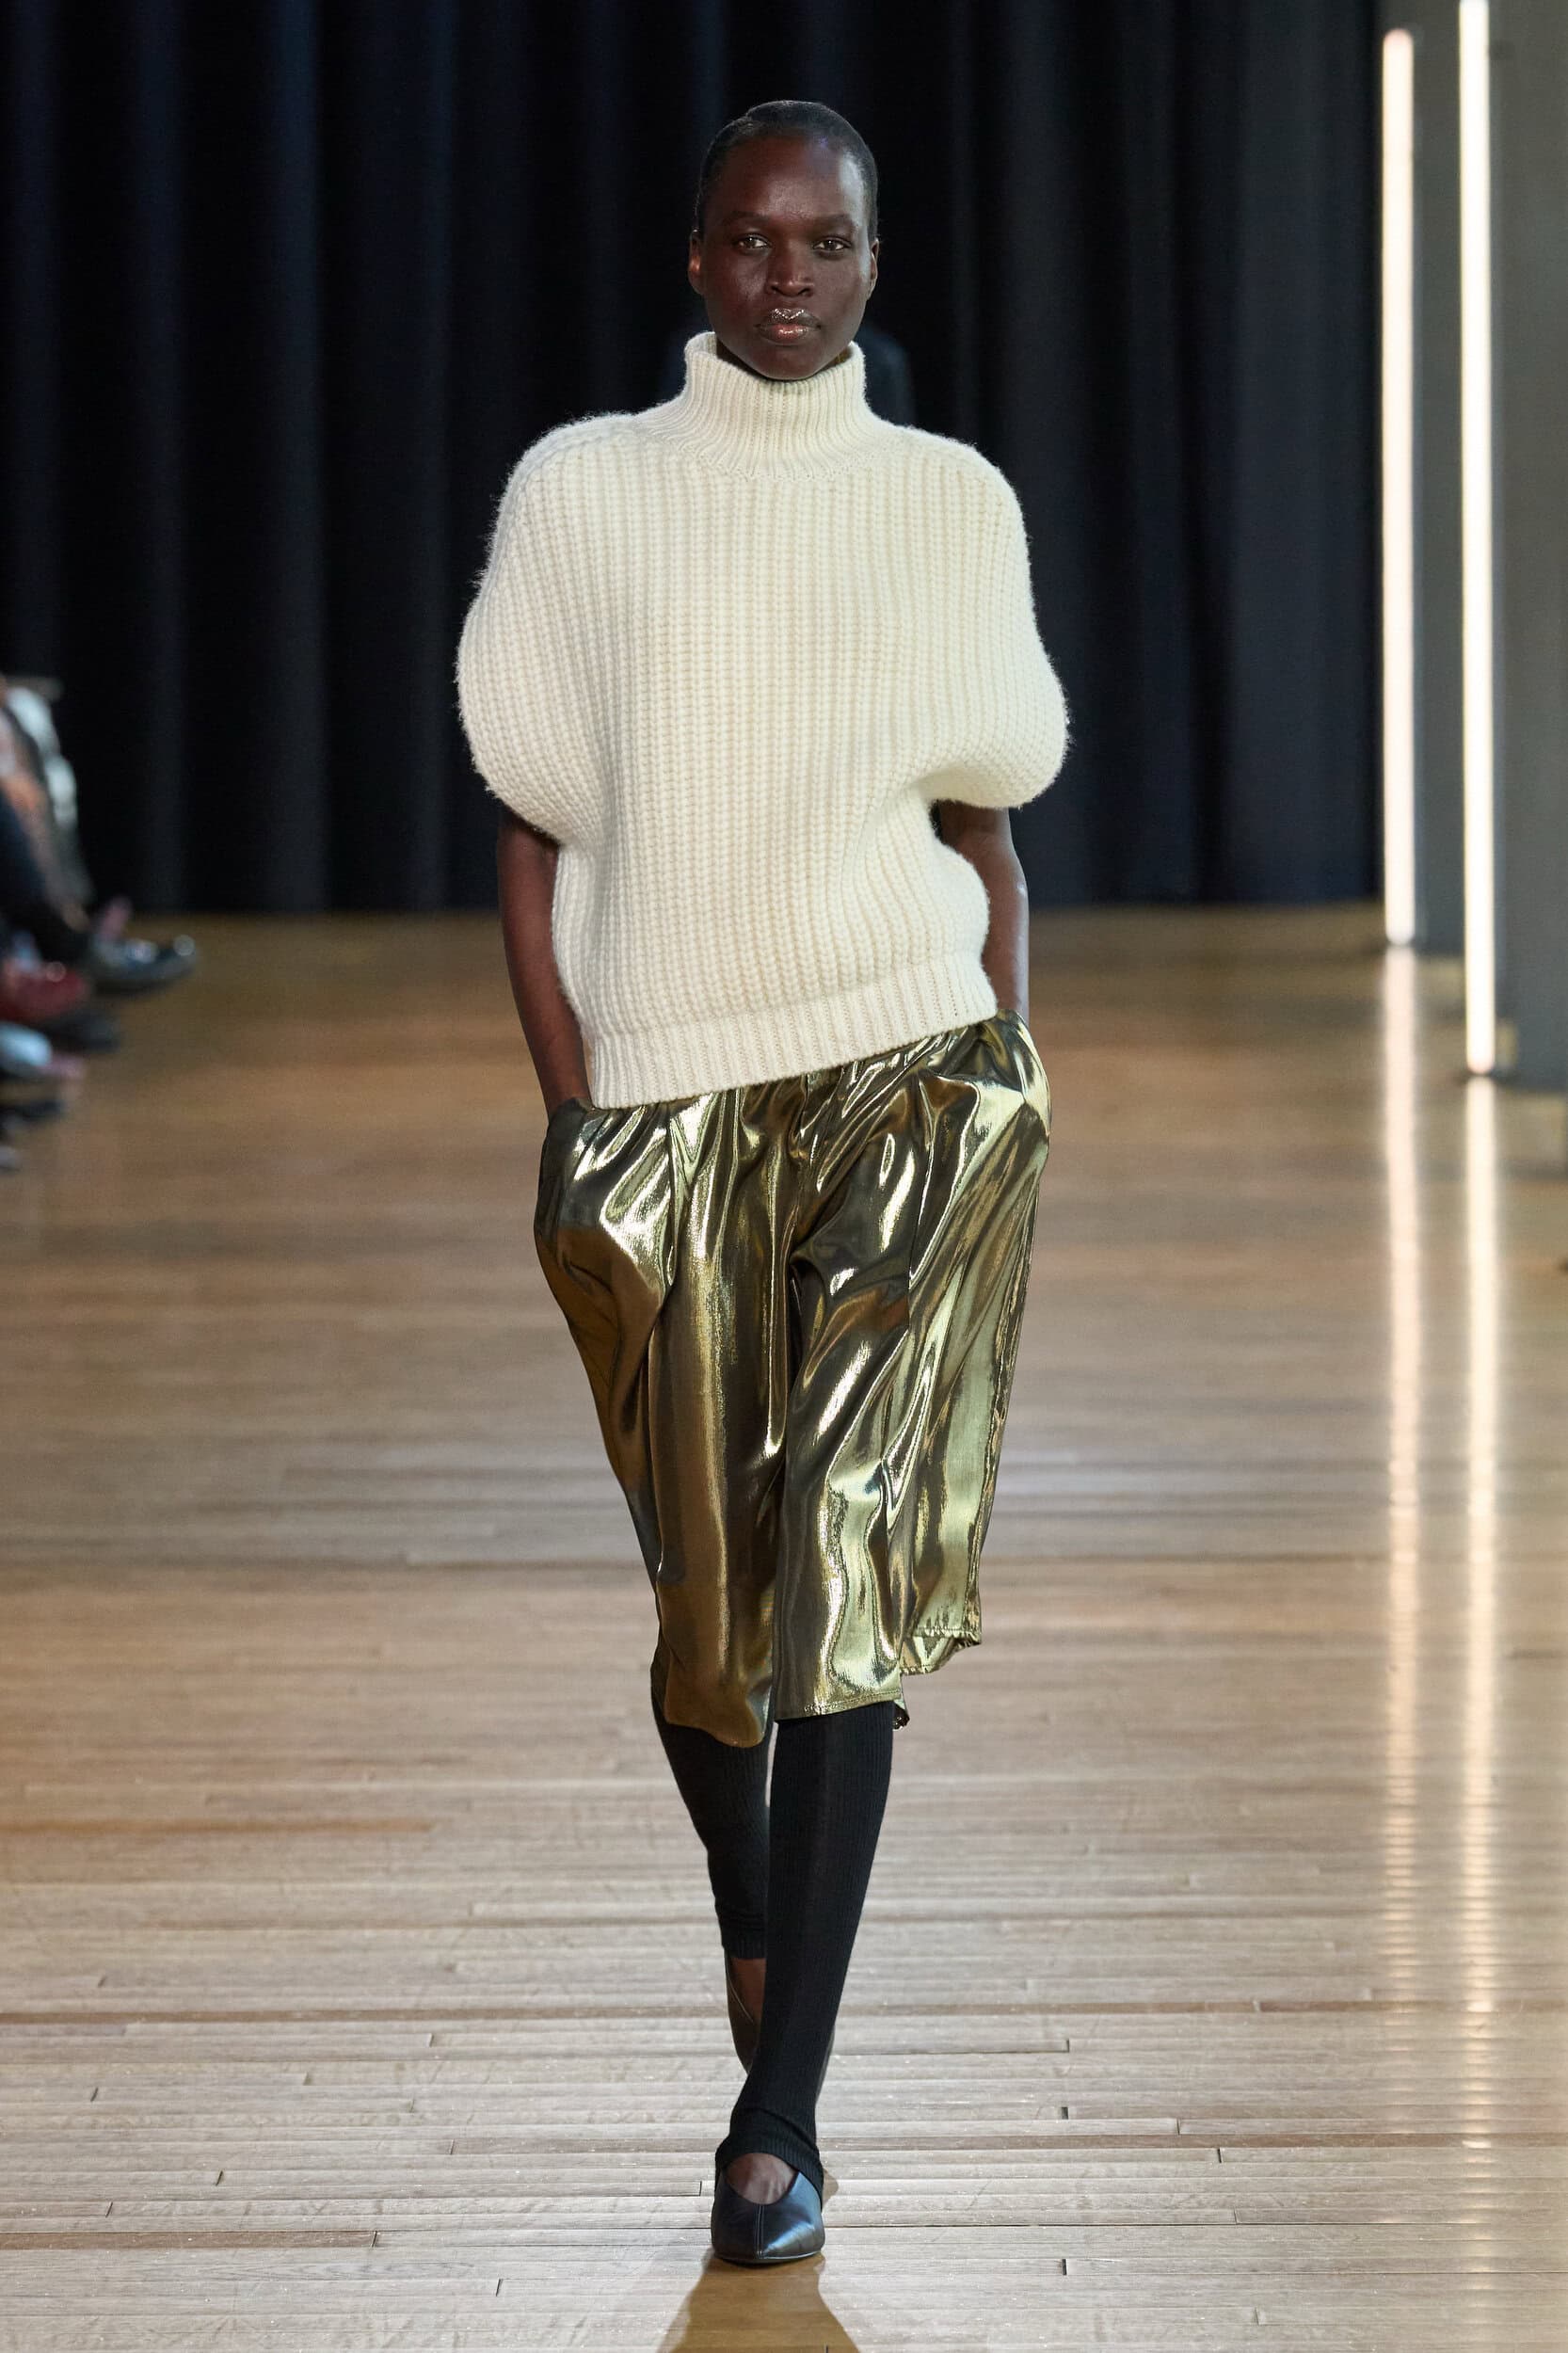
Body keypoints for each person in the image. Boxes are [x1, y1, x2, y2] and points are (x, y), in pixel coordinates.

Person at [456, 98, 1069, 2267]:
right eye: (748, 239)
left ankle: (772, 2118)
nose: (785, 277)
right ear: (693, 258)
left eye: (823, 243)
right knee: (709, 1622)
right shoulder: (582, 492)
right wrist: (575, 1108)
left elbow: (989, 822)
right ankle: (754, 1919)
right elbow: (529, 833)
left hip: (907, 1073)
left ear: (873, 264)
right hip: (661, 1100)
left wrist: (1001, 1055)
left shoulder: (946, 504)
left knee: (845, 1572)